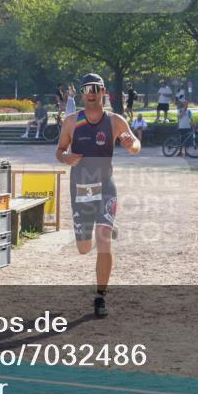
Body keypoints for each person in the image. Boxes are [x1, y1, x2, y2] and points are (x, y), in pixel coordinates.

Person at [56, 73, 141, 318]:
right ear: (82, 93)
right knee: (84, 248)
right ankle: (98, 229)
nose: (91, 93)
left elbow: (135, 144)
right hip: (81, 188)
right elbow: (59, 150)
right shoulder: (72, 121)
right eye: (86, 89)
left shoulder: (115, 121)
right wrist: (65, 157)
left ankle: (100, 296)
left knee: (103, 238)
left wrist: (130, 145)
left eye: (95, 88)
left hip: (105, 185)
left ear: (103, 91)